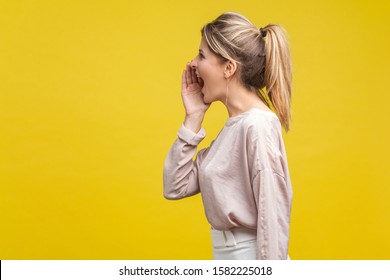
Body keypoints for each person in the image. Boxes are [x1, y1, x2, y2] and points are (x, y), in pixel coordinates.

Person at [163, 11, 293, 260]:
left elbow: (273, 217)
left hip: (249, 259)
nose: (192, 63)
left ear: (229, 68)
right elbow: (175, 187)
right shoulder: (234, 127)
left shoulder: (258, 125)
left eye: (201, 55)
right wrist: (193, 117)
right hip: (226, 257)